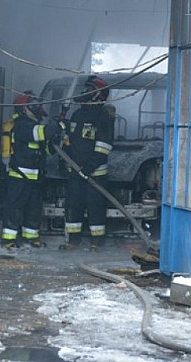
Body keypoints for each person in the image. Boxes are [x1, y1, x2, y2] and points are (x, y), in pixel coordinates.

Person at [1, 92, 61, 250]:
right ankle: (8, 240)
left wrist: (56, 138)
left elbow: (46, 150)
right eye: (33, 105)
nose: (37, 107)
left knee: (33, 210)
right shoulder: (22, 125)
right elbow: (40, 133)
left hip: (36, 176)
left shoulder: (35, 124)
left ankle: (31, 238)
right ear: (24, 109)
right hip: (20, 175)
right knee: (14, 209)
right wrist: (55, 126)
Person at [61, 75, 114, 251]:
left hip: (95, 175)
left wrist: (88, 168)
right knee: (73, 206)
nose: (84, 92)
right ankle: (73, 241)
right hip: (75, 173)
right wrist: (64, 155)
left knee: (95, 208)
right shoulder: (77, 114)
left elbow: (104, 148)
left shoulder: (103, 118)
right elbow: (69, 141)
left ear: (98, 94)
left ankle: (97, 242)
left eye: (89, 89)